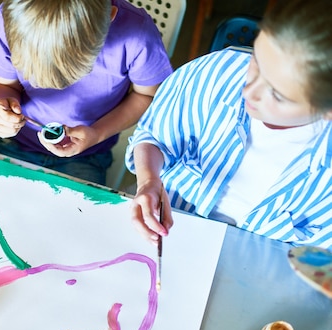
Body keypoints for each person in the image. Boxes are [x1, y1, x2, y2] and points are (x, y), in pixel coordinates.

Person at [125, 0, 332, 249]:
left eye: (277, 95)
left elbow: (317, 258)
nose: (249, 92)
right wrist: (148, 181)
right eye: (256, 62)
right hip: (166, 232)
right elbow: (154, 135)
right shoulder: (216, 71)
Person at [0, 0, 173, 185]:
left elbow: (148, 96)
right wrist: (0, 109)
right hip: (20, 142)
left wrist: (96, 134)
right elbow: (2, 85)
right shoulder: (9, 19)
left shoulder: (137, 34)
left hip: (88, 152)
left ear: (110, 17)